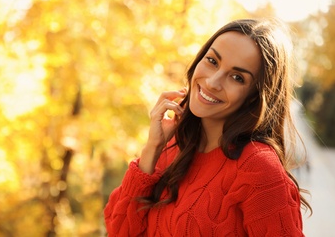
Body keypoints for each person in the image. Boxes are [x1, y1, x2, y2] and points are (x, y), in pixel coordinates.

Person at [104, 18, 311, 236]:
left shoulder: (258, 167)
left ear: (254, 97)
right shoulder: (173, 145)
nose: (213, 82)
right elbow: (118, 231)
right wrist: (152, 149)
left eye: (237, 77)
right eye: (212, 61)